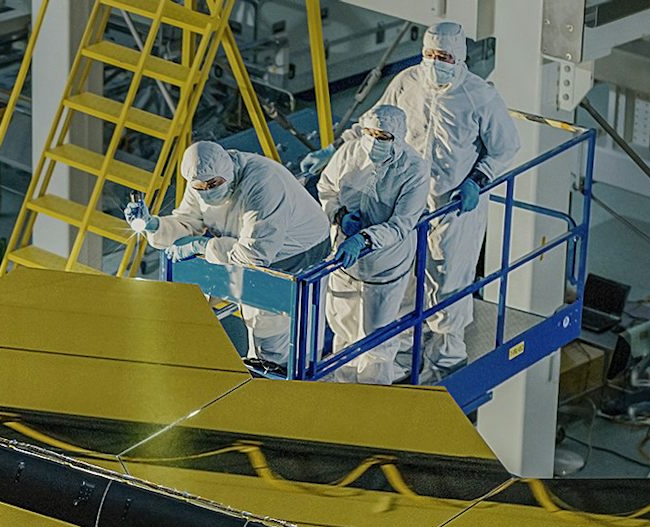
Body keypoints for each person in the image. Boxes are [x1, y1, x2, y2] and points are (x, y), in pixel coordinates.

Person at [365, 20, 520, 377]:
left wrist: (477, 180)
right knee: (400, 272)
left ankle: (447, 356)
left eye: (444, 56)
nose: (436, 62)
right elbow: (375, 124)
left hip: (453, 205)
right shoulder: (406, 82)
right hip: (403, 199)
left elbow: (505, 147)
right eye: (430, 54)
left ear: (460, 57)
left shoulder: (479, 96)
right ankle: (401, 351)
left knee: (448, 275)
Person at [125, 140, 330, 371]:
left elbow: (253, 257)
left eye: (214, 184)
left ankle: (281, 376)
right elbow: (189, 222)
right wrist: (154, 225)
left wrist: (202, 246)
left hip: (295, 254)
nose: (208, 191)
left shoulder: (262, 182)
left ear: (229, 172)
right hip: (238, 248)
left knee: (270, 330)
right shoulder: (200, 179)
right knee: (210, 306)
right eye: (201, 188)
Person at [316, 104, 429, 383]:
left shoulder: (414, 170)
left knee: (375, 337)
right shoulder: (350, 153)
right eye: (368, 133)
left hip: (385, 264)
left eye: (382, 136)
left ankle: (373, 394)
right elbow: (327, 188)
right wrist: (340, 216)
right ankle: (342, 388)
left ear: (398, 137)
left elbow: (402, 224)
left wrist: (365, 239)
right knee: (343, 327)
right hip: (344, 258)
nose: (373, 141)